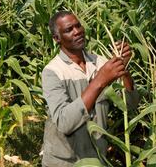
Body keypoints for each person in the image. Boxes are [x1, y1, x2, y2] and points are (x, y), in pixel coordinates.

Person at [41, 11, 139, 166]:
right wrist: (99, 80)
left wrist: (124, 70)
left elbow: (131, 105)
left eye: (78, 25)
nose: (77, 31)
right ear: (57, 39)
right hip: (65, 162)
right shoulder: (53, 72)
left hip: (97, 158)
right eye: (69, 30)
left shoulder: (100, 62)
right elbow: (64, 122)